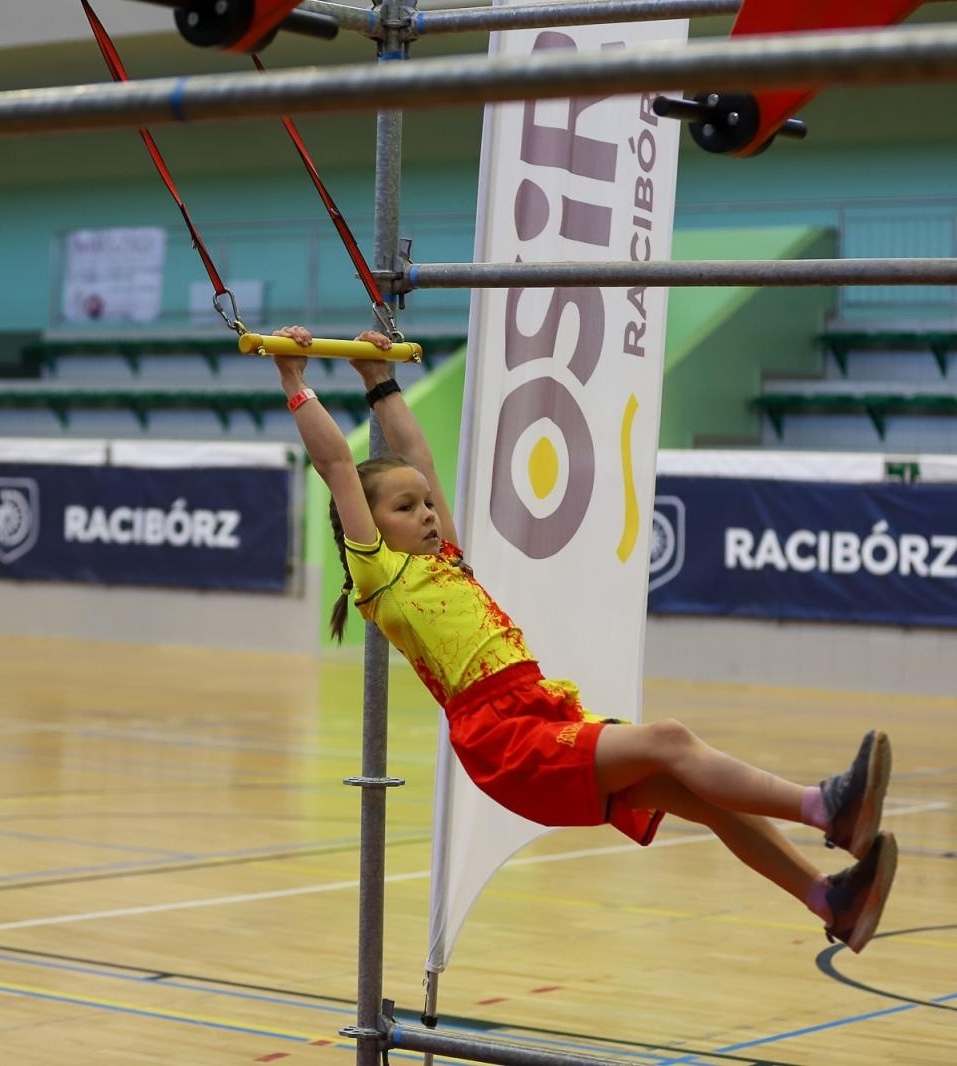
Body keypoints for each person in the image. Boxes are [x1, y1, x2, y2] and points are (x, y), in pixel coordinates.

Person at [272, 324, 899, 953]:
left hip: (539, 710)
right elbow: (336, 465)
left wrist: (380, 382)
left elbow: (420, 458)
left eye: (427, 505)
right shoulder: (382, 576)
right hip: (506, 743)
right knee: (669, 738)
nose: (428, 513)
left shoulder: (448, 558)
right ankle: (825, 807)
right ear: (369, 527)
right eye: (406, 509)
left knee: (705, 798)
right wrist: (294, 380)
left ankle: (830, 901)